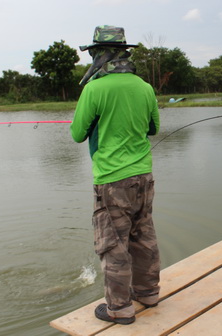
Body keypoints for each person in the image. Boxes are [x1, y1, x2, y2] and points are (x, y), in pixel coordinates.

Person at [70, 25, 161, 325]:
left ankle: (120, 308)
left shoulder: (94, 89)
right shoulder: (145, 87)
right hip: (143, 176)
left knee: (114, 243)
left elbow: (77, 134)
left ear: (98, 54)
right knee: (143, 234)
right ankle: (148, 293)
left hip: (112, 178)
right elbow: (152, 128)